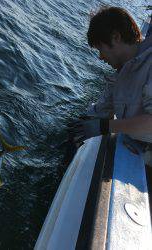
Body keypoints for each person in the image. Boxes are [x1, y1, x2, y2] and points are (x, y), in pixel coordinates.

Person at [70, 7, 152, 166]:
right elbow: (103, 107)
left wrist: (106, 126)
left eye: (101, 49)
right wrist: (80, 123)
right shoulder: (122, 71)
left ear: (116, 37)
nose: (100, 57)